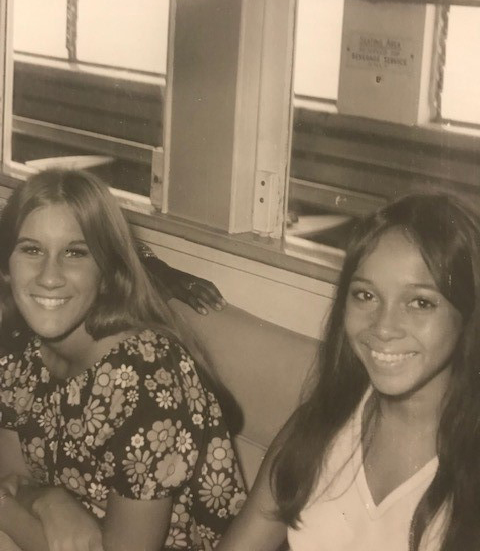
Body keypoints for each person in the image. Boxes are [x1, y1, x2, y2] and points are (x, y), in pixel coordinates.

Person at [217, 191, 480, 551]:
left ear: (468, 314)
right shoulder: (317, 428)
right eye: (365, 295)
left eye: (420, 302)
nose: (383, 327)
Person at [0, 168, 245, 551]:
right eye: (32, 249)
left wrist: (8, 506)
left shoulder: (148, 378)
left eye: (75, 252)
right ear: (5, 267)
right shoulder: (19, 354)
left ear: (107, 274)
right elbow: (14, 479)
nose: (49, 276)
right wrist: (45, 498)